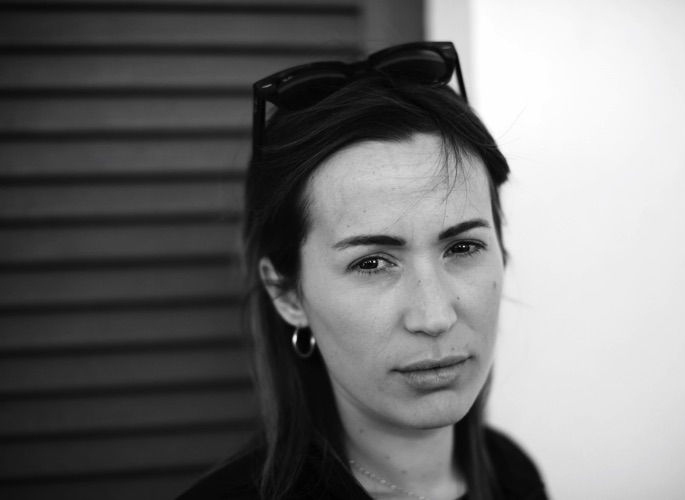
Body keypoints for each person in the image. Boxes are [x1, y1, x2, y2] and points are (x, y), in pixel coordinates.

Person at [177, 42, 547, 500]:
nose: (434, 317)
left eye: (463, 247)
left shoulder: (514, 476)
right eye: (371, 263)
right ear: (287, 294)